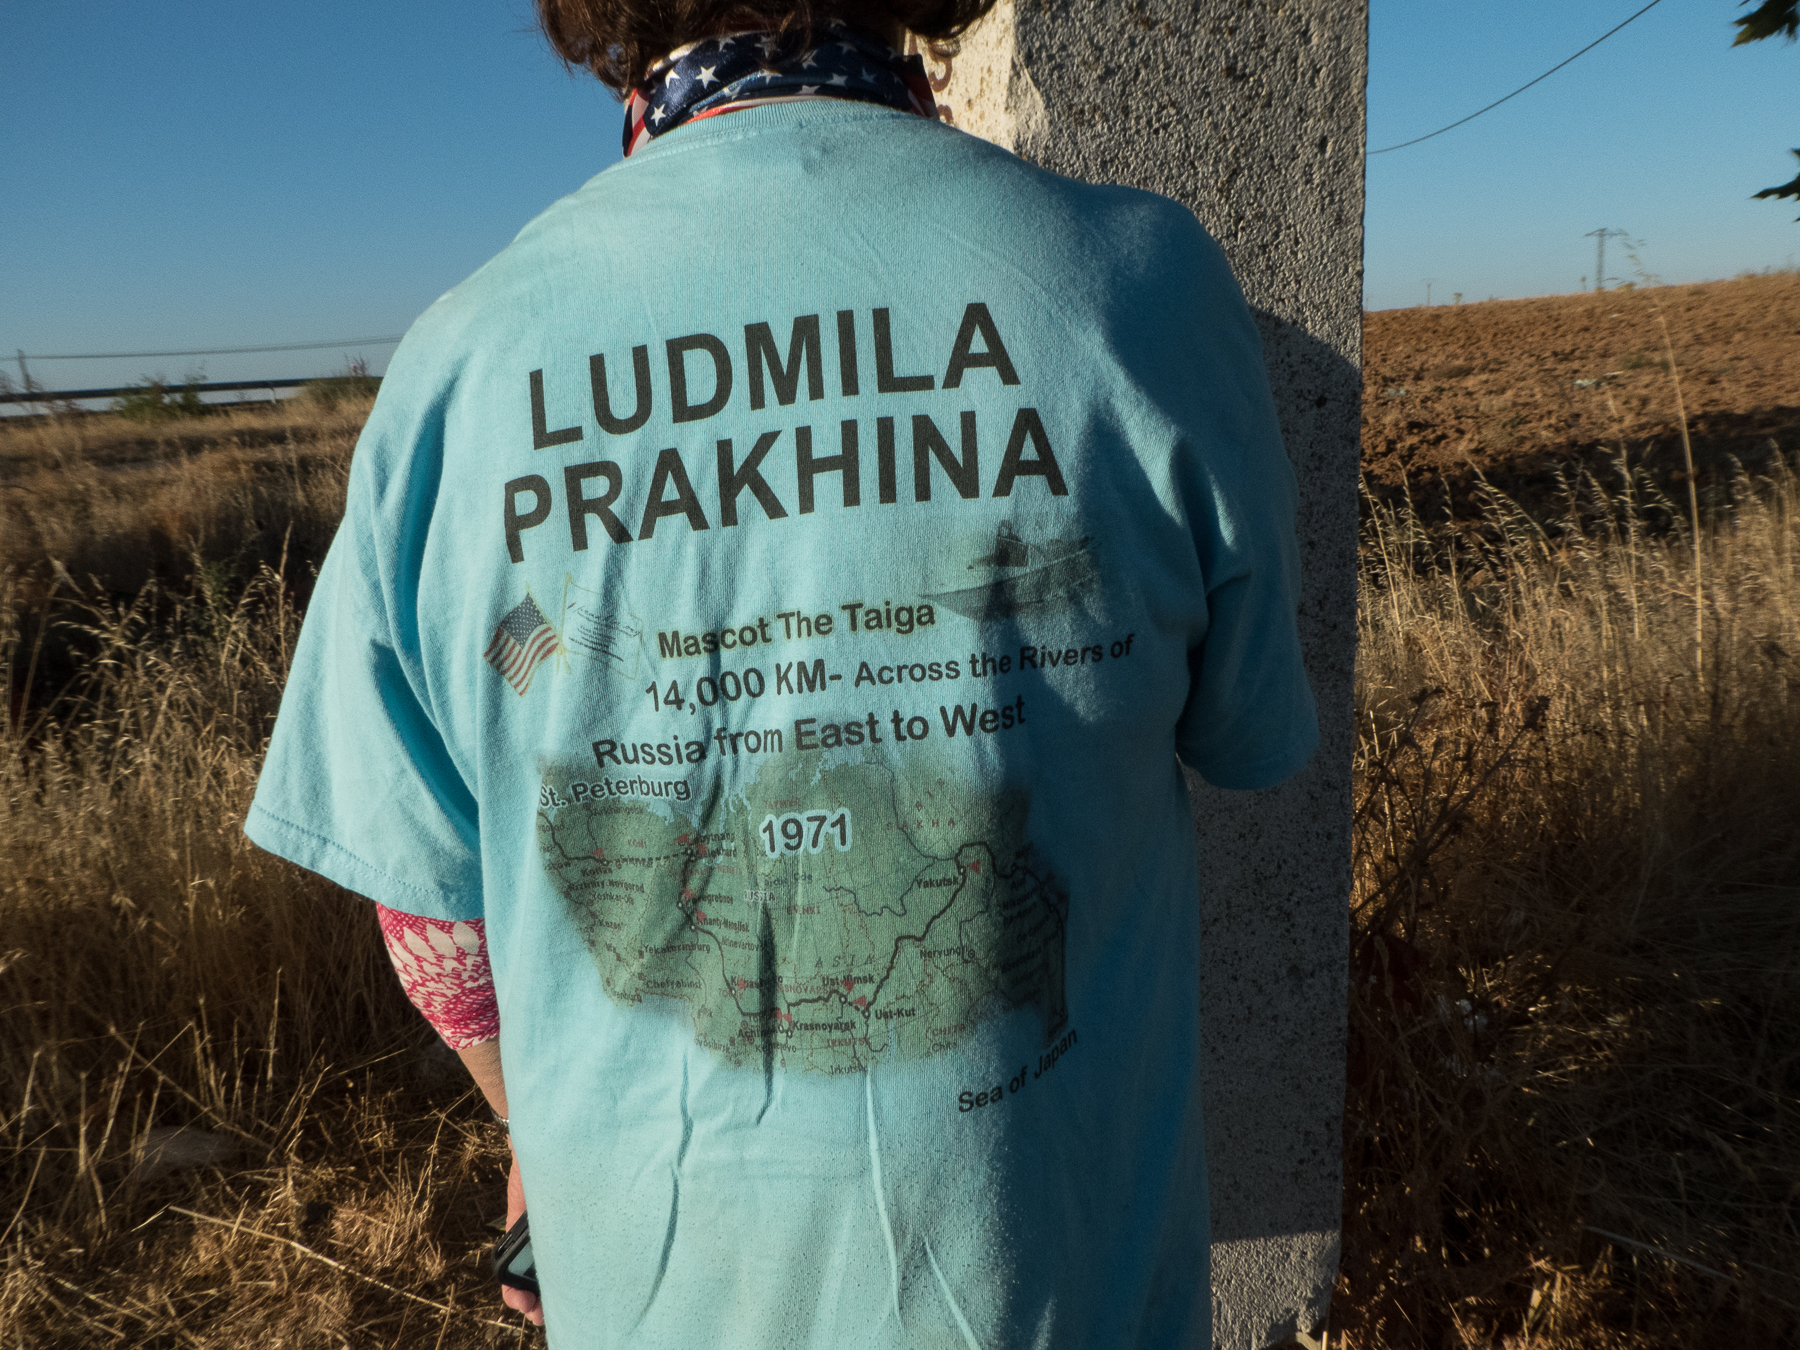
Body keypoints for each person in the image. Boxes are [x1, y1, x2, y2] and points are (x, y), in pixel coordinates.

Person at [246, 0, 1318, 1342]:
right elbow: (1244, 731)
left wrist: (536, 1129)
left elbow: (433, 917)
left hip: (650, 1289)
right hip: (1061, 1288)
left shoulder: (456, 373)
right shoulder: (1141, 285)